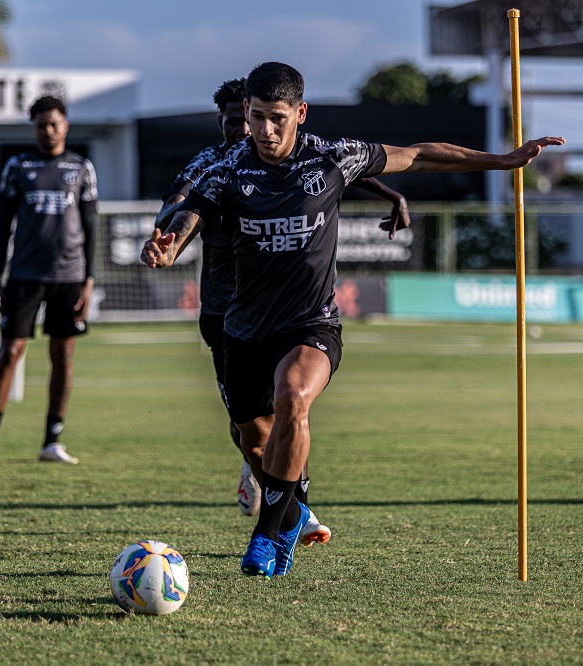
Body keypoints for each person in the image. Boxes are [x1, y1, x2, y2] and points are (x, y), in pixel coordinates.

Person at [142, 61, 564, 578]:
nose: (265, 130)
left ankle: (268, 533)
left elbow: (419, 155)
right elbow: (191, 212)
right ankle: (291, 513)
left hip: (310, 324)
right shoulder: (227, 170)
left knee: (293, 398)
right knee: (254, 440)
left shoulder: (332, 157)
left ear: (300, 113)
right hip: (243, 330)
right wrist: (170, 241)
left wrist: (501, 161)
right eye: (255, 117)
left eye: (276, 118)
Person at [157, 79, 410, 548]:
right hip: (225, 311)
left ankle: (291, 513)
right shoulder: (213, 166)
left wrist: (389, 194)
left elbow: (345, 167)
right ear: (226, 123)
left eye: (263, 118)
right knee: (248, 428)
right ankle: (288, 504)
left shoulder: (297, 158)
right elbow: (178, 206)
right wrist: (167, 233)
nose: (252, 129)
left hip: (290, 309)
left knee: (291, 405)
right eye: (241, 120)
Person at [0, 95, 98, 467]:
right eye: (42, 125)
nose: (48, 130)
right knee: (10, 352)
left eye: (55, 123)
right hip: (24, 276)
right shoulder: (17, 166)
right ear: (35, 128)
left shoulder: (81, 169)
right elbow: (1, 226)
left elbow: (91, 227)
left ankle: (52, 440)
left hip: (69, 277)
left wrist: (89, 280)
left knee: (63, 357)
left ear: (66, 125)